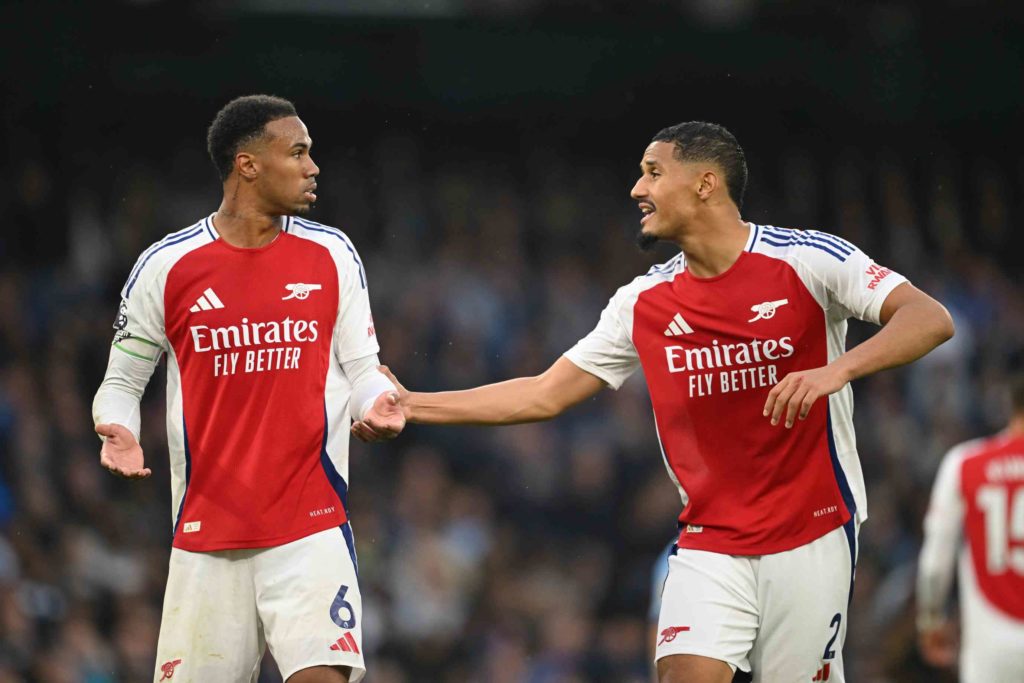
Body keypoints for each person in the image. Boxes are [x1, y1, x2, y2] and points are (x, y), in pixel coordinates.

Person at [353, 121, 955, 683]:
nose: (637, 187)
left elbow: (929, 318)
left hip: (812, 533)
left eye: (652, 172)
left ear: (705, 183)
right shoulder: (644, 300)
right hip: (709, 541)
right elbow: (543, 392)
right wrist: (413, 405)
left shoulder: (806, 259)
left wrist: (836, 370)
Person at [92, 95, 405, 683]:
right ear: (248, 165)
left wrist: (378, 405)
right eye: (298, 152)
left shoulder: (332, 254)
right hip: (208, 537)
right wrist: (119, 429)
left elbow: (364, 371)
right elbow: (119, 384)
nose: (314, 167)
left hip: (310, 524)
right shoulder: (166, 266)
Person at [917, 373, 1024, 683]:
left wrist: (931, 619)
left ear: (1010, 405)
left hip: (993, 647)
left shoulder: (964, 463)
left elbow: (936, 559)